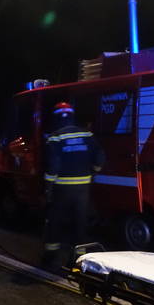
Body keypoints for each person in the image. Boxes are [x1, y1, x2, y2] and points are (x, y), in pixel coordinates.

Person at [43, 102, 105, 269]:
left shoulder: (55, 137)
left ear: (56, 118)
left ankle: (51, 256)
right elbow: (100, 156)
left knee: (55, 221)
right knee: (80, 222)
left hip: (62, 188)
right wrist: (93, 171)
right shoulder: (87, 134)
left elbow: (54, 164)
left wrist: (48, 186)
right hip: (83, 188)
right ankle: (79, 258)